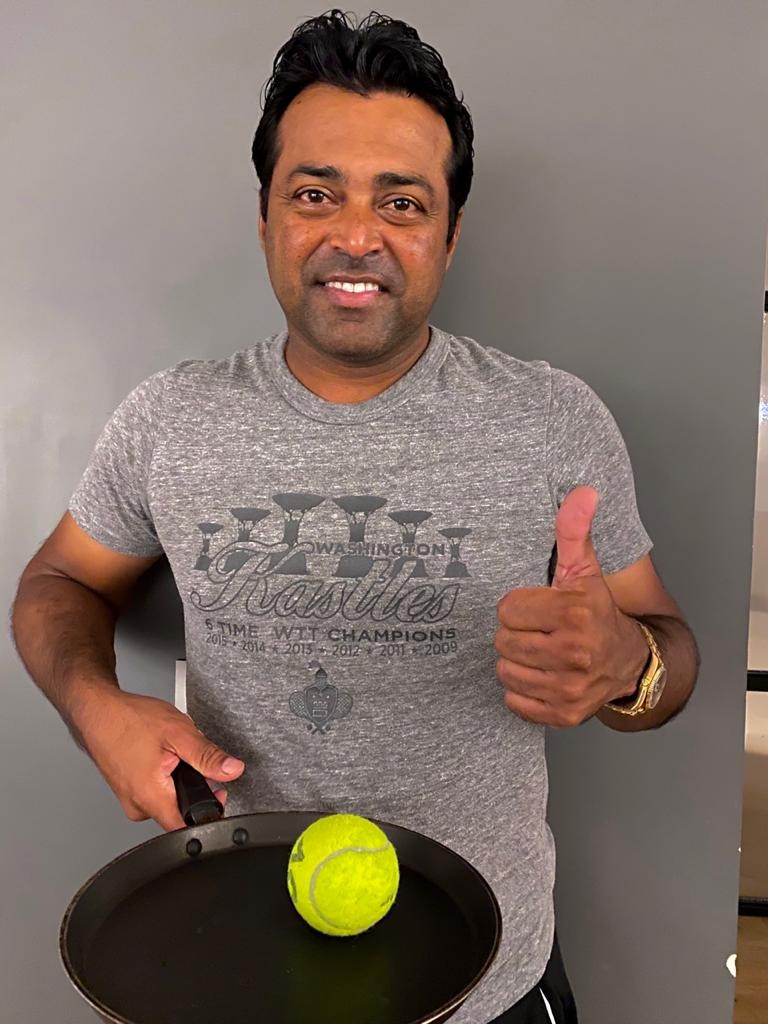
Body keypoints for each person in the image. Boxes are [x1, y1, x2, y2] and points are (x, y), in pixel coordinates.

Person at [11, 10, 699, 1023]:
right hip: (240, 966)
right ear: (265, 218)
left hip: (492, 983)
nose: (356, 235)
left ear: (450, 235)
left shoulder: (552, 419)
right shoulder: (170, 419)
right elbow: (58, 581)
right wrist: (94, 706)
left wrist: (627, 663)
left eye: (402, 201)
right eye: (315, 193)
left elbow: (670, 652)